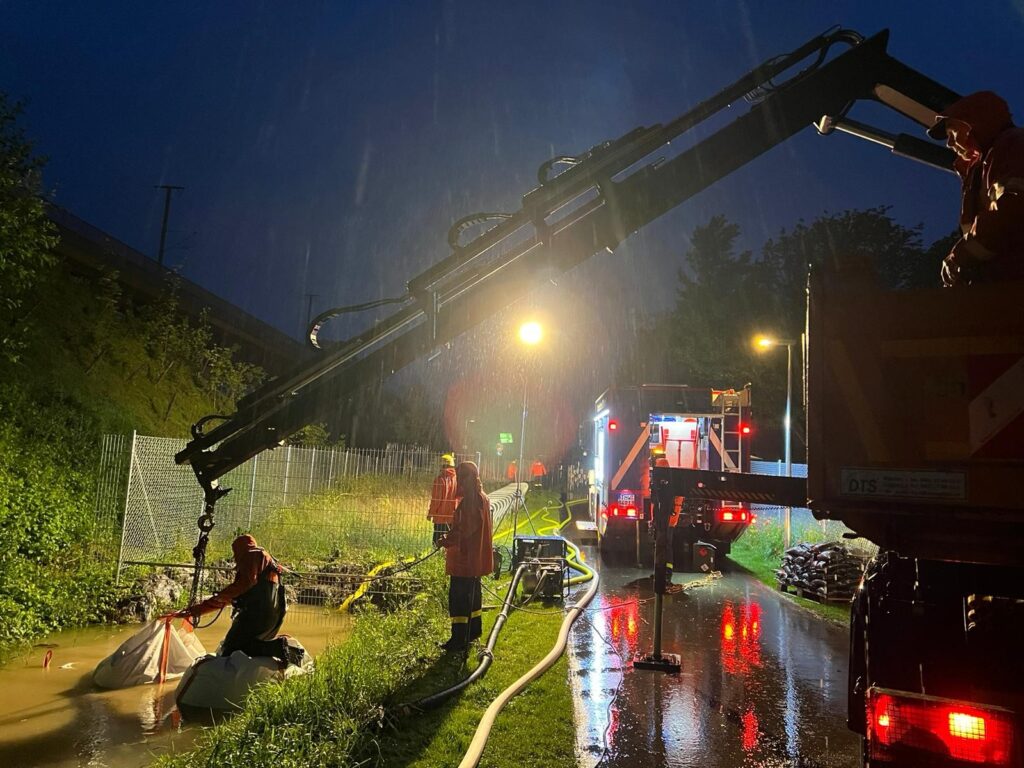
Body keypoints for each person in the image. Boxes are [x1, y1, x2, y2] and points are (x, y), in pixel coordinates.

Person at [926, 91, 1024, 286]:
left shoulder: (1013, 146)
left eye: (952, 131)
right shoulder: (988, 162)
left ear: (973, 123)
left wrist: (959, 258)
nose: (950, 143)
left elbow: (1013, 208)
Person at [178, 534, 300, 665]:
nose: (235, 558)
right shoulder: (266, 560)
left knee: (231, 648)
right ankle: (284, 650)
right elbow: (235, 595)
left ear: (239, 549)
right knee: (242, 646)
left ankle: (280, 648)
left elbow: (242, 585)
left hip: (259, 613)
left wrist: (219, 597)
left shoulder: (251, 555)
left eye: (235, 553)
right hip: (273, 614)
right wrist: (197, 610)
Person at [437, 461, 493, 652]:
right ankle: (473, 632)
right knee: (473, 598)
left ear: (469, 478)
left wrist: (446, 540)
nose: (459, 482)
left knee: (459, 600)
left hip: (464, 561)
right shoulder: (482, 497)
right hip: (473, 561)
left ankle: (459, 639)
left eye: (462, 477)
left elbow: (465, 529)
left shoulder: (472, 500)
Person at [427, 453, 458, 546]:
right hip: (452, 517)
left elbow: (436, 500)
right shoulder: (457, 479)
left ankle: (436, 558)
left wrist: (431, 513)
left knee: (437, 543)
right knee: (449, 544)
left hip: (440, 517)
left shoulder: (440, 480)